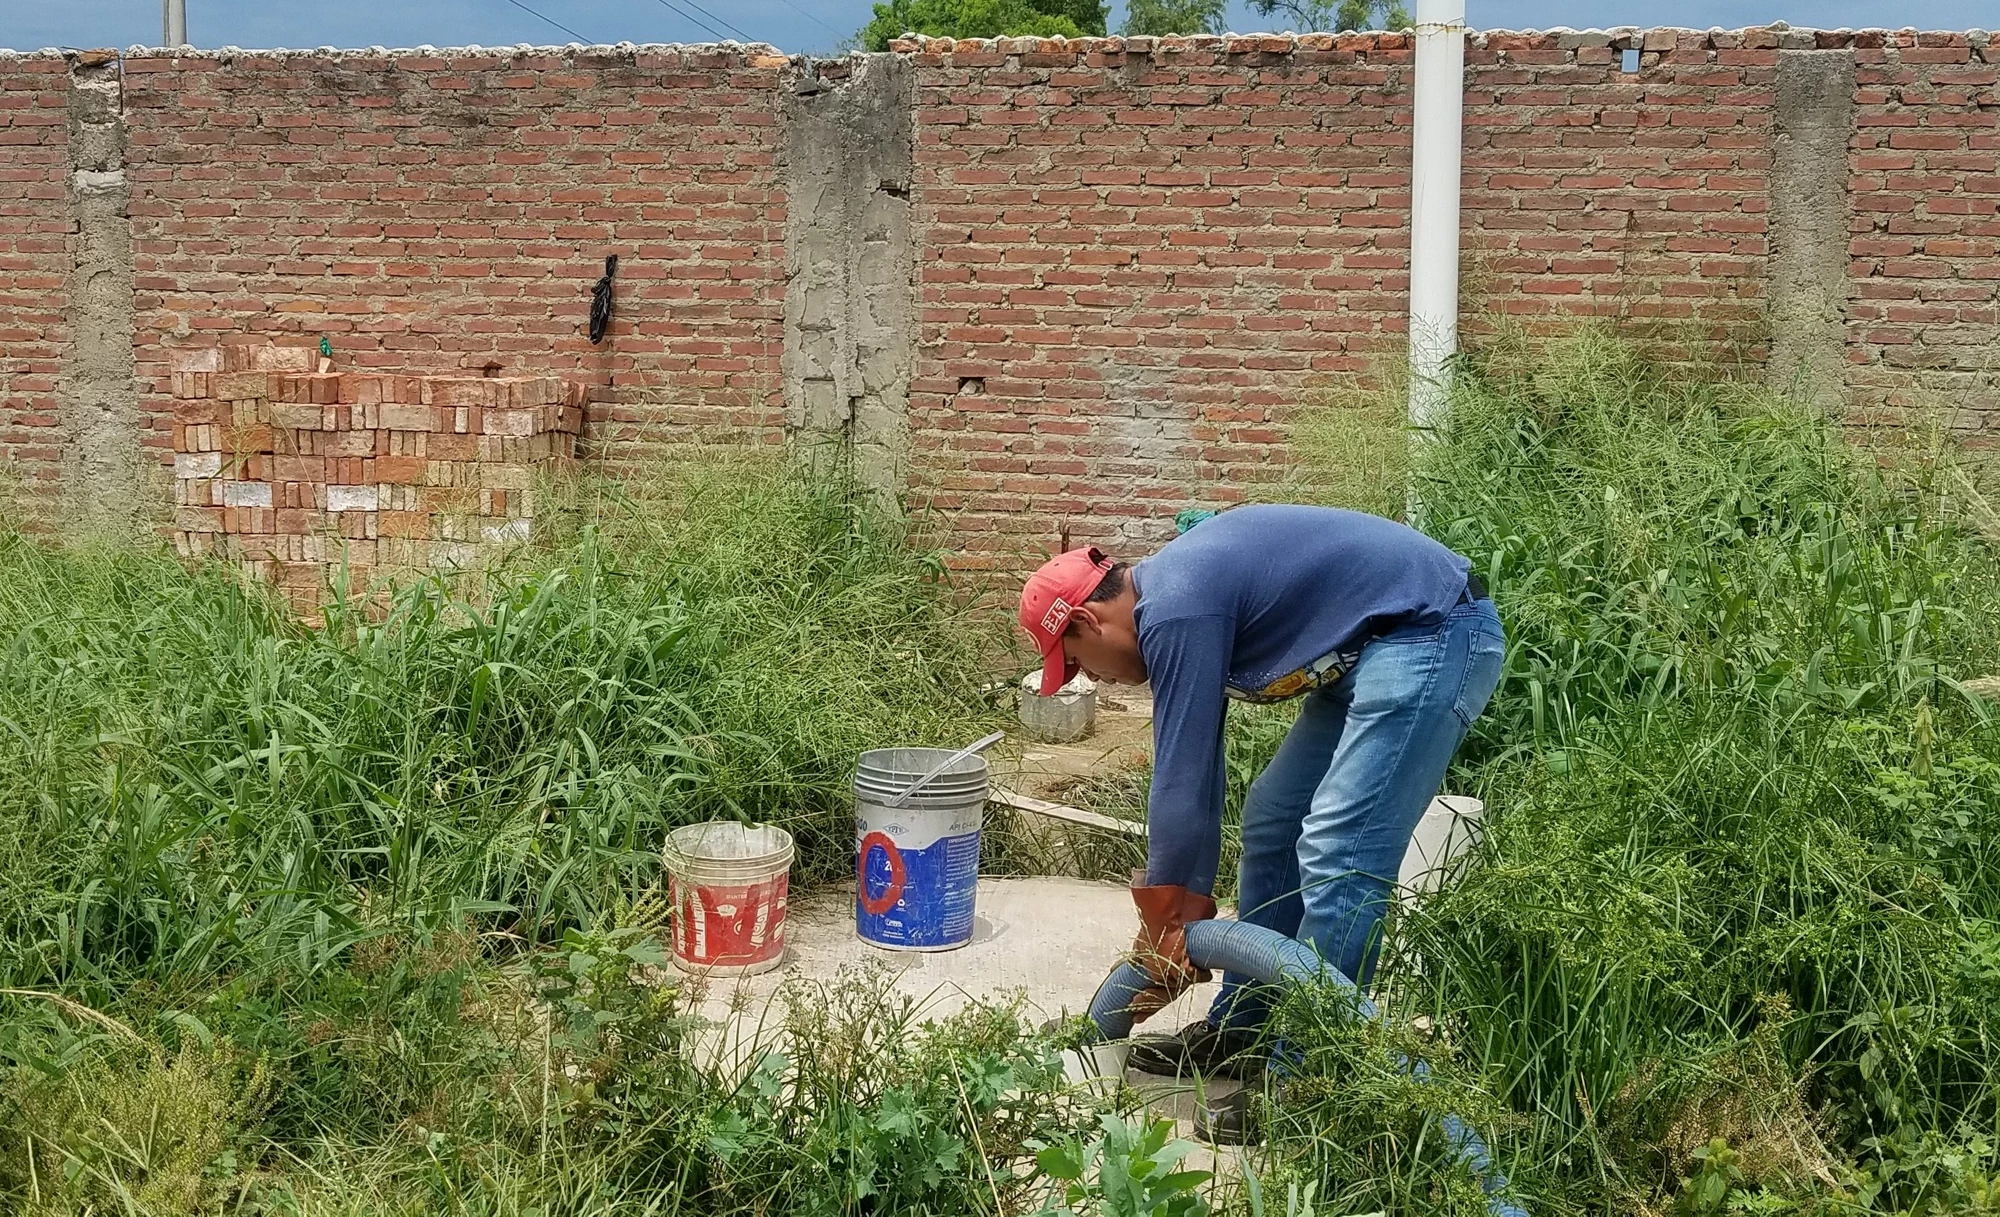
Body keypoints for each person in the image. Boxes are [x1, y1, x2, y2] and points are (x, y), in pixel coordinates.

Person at [1017, 504, 1504, 1141]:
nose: (1096, 680)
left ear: (1085, 619)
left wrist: (1164, 925)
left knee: (1338, 847)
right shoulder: (1176, 601)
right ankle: (1245, 1026)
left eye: (1079, 662)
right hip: (1367, 651)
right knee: (1275, 818)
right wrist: (1174, 922)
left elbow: (1180, 779)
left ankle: (1310, 1077)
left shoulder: (1176, 609)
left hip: (1434, 632)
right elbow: (1203, 773)